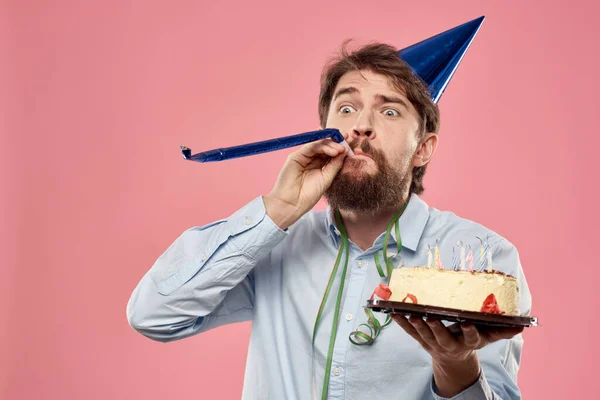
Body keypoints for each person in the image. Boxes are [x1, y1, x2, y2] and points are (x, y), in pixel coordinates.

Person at [127, 40, 531, 400]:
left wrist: (455, 364)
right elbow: (154, 315)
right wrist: (277, 210)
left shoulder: (483, 258)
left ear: (423, 149)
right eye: (347, 107)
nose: (361, 126)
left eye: (390, 111)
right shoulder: (275, 243)